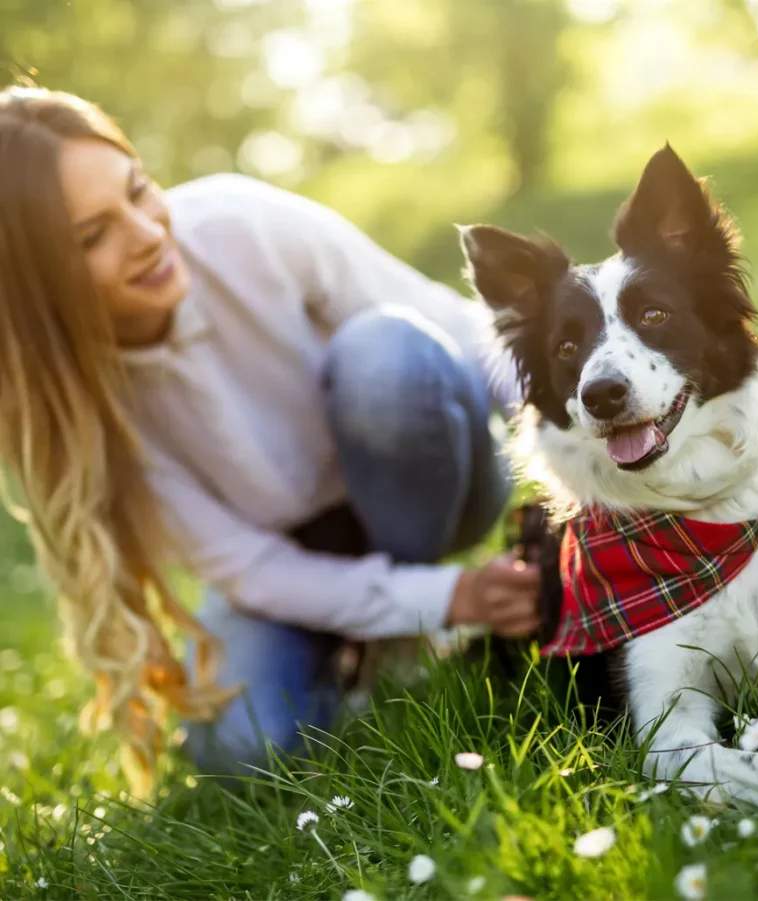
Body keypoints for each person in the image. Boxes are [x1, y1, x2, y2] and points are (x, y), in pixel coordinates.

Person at [0, 85, 541, 795]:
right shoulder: (77, 408)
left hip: (435, 465)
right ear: (37, 286)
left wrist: (590, 450)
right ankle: (383, 648)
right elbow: (251, 567)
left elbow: (451, 331)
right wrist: (456, 595)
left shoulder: (240, 223)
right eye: (94, 235)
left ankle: (403, 630)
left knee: (385, 353)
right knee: (241, 747)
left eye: (139, 190)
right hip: (293, 553)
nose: (147, 234)